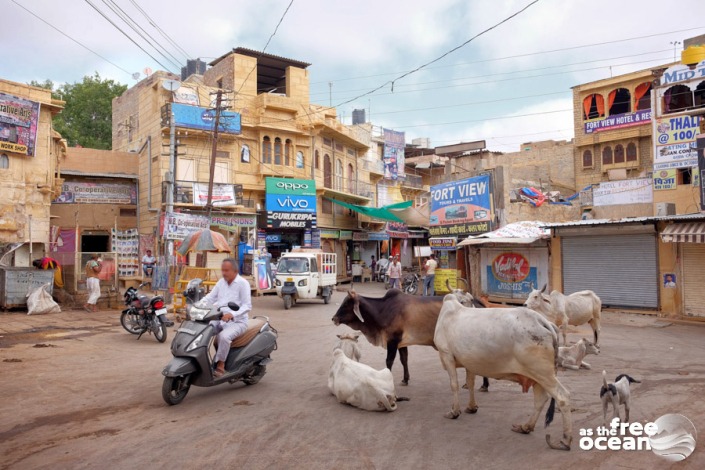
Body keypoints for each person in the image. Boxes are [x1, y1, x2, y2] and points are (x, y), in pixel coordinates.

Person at [200, 258, 251, 377]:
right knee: (203, 331)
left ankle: (221, 364)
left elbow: (247, 306)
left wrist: (232, 314)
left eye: (226, 270)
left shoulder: (243, 284)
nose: (224, 273)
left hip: (238, 322)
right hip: (219, 318)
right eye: (222, 270)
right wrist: (197, 306)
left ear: (235, 271)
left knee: (223, 337)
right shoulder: (221, 282)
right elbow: (210, 298)